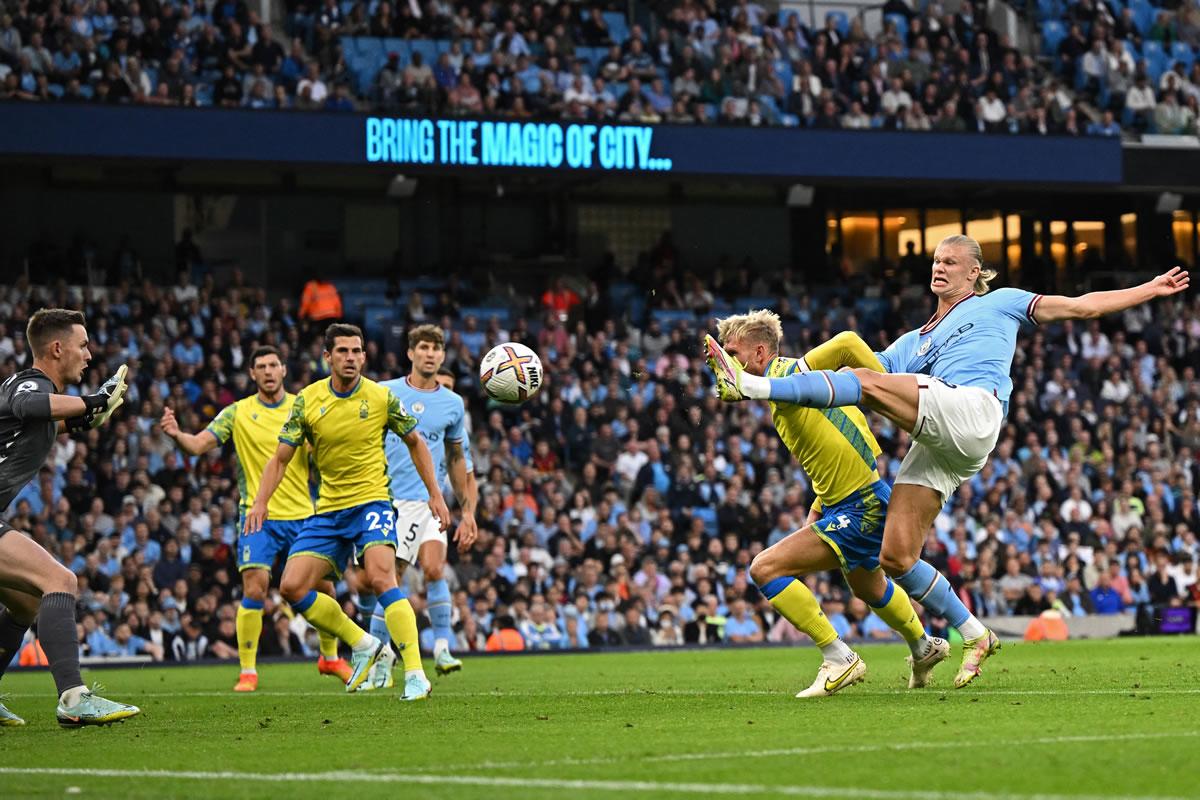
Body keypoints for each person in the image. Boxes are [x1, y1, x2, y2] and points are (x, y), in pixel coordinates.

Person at [707, 237, 1188, 687]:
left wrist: (1149, 288)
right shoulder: (913, 342)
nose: (939, 267)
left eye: (950, 262)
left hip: (973, 408)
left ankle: (753, 387)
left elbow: (1081, 306)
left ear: (974, 272)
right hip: (943, 441)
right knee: (894, 556)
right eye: (935, 261)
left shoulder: (997, 303)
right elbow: (865, 374)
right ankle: (976, 633)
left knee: (862, 381)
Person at [707, 310, 940, 698]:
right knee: (867, 586)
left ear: (760, 353)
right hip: (853, 500)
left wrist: (892, 395)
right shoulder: (787, 391)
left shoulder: (790, 377)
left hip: (861, 505)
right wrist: (818, 508)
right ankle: (923, 646)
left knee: (765, 568)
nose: (725, 362)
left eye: (732, 352)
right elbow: (831, 451)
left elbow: (848, 341)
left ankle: (838, 656)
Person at [245, 323, 450, 696]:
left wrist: (434, 493)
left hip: (372, 503)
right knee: (291, 587)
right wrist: (261, 501)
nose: (351, 358)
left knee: (381, 578)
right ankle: (365, 645)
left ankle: (417, 674)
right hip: (328, 511)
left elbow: (416, 442)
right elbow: (281, 458)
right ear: (327, 357)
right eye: (343, 351)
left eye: (357, 351)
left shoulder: (380, 397)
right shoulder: (307, 400)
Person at [161, 345, 353, 692]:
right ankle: (248, 670)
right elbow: (199, 445)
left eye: (273, 365)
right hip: (257, 515)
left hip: (304, 515)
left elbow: (324, 452)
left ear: (283, 370)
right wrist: (177, 436)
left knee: (324, 587)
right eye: (260, 366)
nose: (267, 371)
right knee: (255, 587)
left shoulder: (303, 406)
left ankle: (329, 657)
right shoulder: (237, 413)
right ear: (252, 374)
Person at [0, 308, 140, 726]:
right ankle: (74, 700)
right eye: (83, 345)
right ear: (56, 348)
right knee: (60, 581)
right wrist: (93, 400)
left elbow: (46, 423)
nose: (89, 355)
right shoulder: (30, 383)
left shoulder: (37, 398)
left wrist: (88, 416)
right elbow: (29, 405)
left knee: (25, 603)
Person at [359, 325, 479, 693]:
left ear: (443, 355)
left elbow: (459, 461)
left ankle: (440, 647)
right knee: (385, 578)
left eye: (437, 348)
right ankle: (380, 656)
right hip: (389, 498)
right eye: (423, 348)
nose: (430, 354)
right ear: (410, 353)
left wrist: (469, 512)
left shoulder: (453, 404)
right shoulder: (385, 392)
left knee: (433, 567)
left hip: (431, 501)